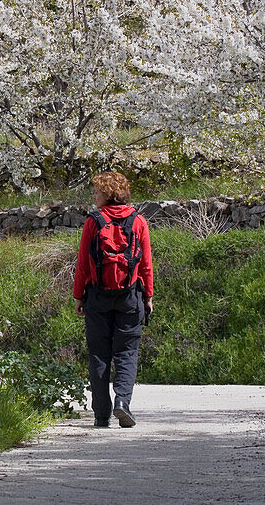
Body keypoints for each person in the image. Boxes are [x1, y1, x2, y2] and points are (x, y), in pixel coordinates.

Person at [73, 171, 153, 428]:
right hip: (131, 296)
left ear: (107, 194)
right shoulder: (138, 221)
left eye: (96, 191)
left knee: (99, 354)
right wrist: (148, 296)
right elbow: (146, 265)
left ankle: (100, 415)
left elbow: (83, 264)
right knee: (127, 352)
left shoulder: (93, 222)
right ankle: (122, 403)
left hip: (97, 296)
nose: (94, 196)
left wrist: (78, 296)